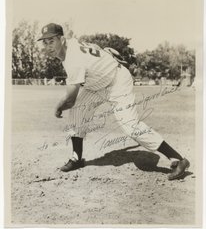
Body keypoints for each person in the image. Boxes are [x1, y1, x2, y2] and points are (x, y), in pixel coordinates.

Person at [37, 23, 190, 180]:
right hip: (97, 84)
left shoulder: (72, 58)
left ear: (62, 39)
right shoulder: (73, 43)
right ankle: (77, 158)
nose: (48, 46)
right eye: (45, 42)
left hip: (117, 81)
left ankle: (178, 159)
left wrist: (58, 107)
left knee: (131, 127)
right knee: (78, 111)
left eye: (52, 41)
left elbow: (70, 99)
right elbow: (94, 49)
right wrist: (105, 54)